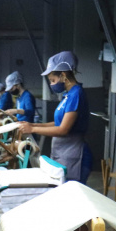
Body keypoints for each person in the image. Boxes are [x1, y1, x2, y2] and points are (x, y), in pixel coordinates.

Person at [16, 52, 92, 182]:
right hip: (63, 152)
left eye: (53, 80)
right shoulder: (67, 96)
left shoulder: (76, 94)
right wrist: (33, 125)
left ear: (63, 75)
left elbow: (63, 129)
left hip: (74, 154)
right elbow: (57, 123)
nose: (52, 84)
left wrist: (33, 130)